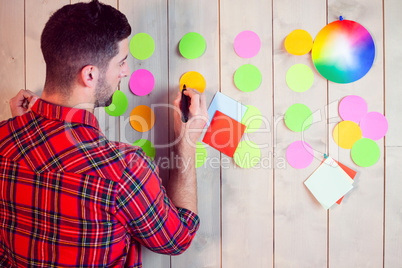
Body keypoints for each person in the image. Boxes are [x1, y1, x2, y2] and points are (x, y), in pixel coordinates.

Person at [0, 1, 208, 267]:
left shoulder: (5, 139)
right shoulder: (123, 169)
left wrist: (20, 126)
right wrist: (186, 144)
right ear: (89, 74)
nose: (126, 71)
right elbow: (178, 238)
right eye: (121, 61)